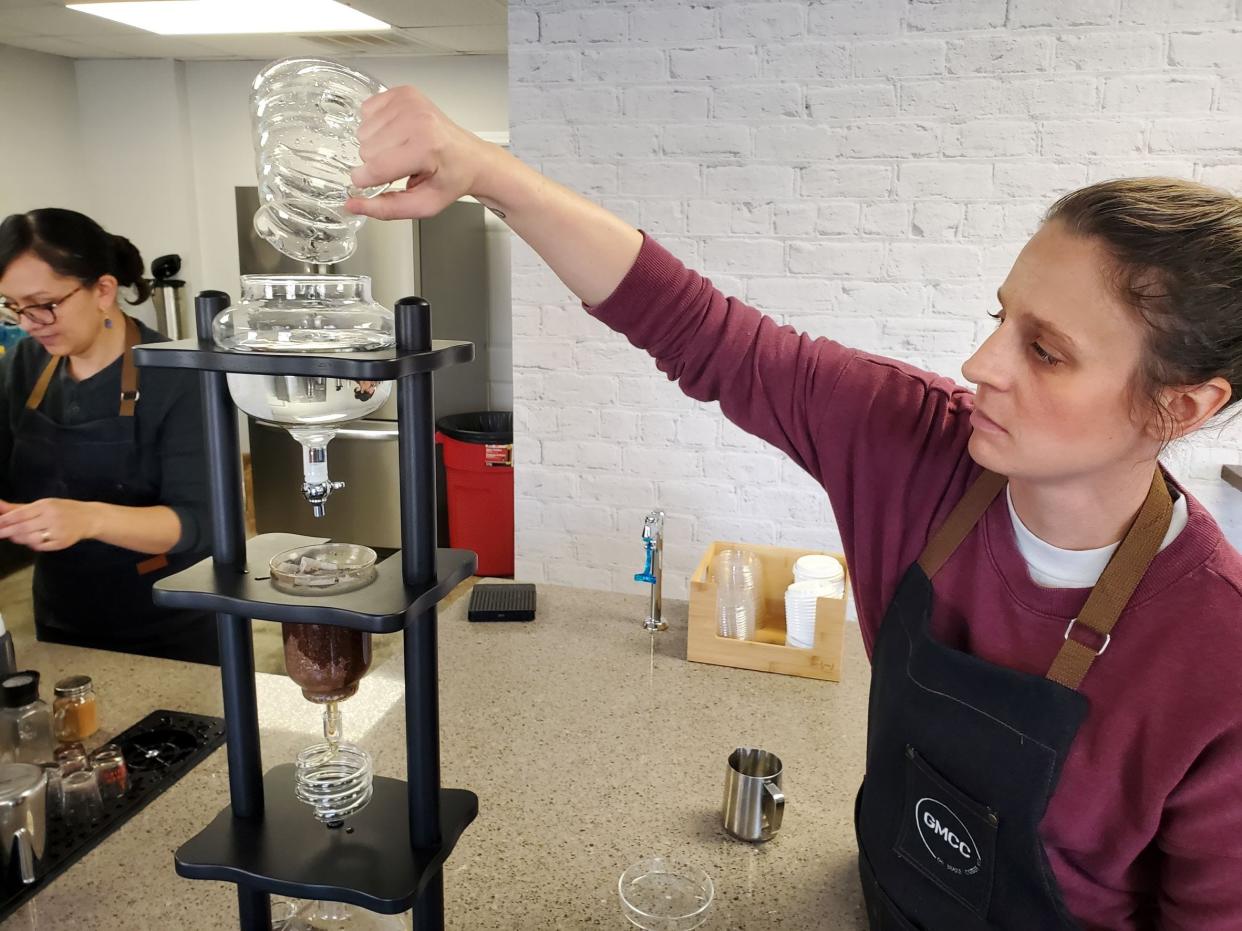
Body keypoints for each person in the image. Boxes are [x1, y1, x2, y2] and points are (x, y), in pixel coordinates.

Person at [347, 88, 1242, 929]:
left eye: (1044, 351)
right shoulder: (915, 446)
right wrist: (488, 171)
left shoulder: (1218, 651)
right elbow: (701, 329)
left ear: (1185, 406)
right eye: (1000, 317)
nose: (981, 363)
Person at [0, 208, 218, 665]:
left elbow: (198, 525)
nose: (27, 323)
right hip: (59, 619)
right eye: (13, 306)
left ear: (103, 290)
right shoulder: (23, 366)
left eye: (44, 304)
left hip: (165, 625)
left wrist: (90, 519)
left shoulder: (178, 377)